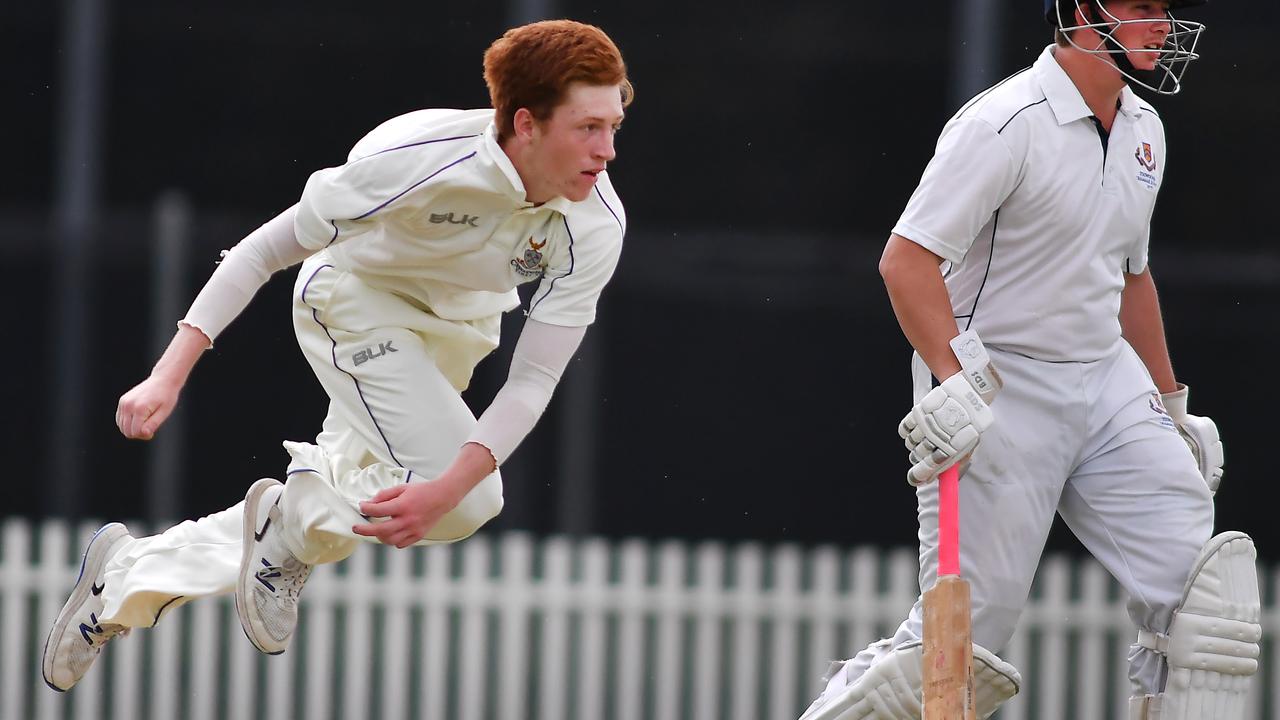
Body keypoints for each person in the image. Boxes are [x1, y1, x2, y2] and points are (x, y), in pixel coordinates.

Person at [42, 19, 632, 692]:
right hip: (352, 305)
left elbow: (533, 380)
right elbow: (264, 251)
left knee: (380, 500)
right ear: (526, 124)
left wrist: (441, 489)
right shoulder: (417, 162)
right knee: (470, 502)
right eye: (589, 128)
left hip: (459, 334)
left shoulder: (595, 224)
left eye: (615, 125)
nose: (608, 149)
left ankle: (122, 582)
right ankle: (287, 526)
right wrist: (168, 373)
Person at [799, 2, 1260, 719]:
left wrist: (1172, 405)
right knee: (963, 643)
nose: (1163, 25)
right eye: (1142, 7)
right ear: (1082, 11)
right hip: (1001, 380)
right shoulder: (1003, 123)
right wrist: (955, 382)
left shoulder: (1145, 129)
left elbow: (1131, 278)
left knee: (1206, 603)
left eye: (1166, 9)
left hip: (1106, 379)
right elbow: (908, 261)